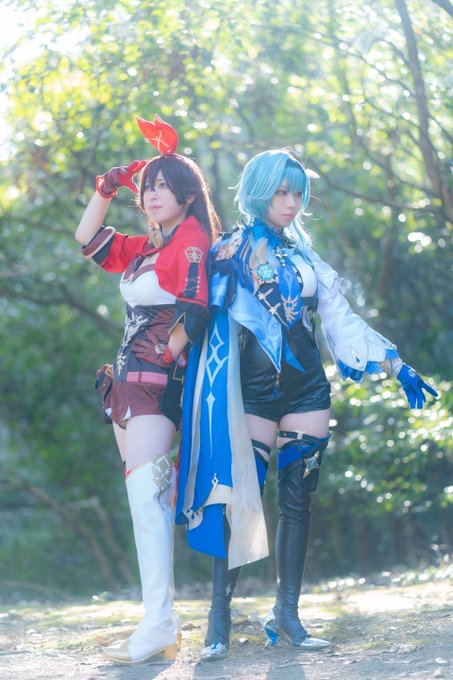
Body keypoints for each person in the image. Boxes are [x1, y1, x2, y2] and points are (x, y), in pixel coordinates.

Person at [176, 148, 438, 660]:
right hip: (250, 393)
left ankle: (287, 615)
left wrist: (396, 365)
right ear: (259, 192)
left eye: (298, 193)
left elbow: (341, 320)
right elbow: (203, 321)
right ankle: (218, 618)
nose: (292, 203)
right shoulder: (227, 253)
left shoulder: (306, 258)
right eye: (281, 192)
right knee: (235, 501)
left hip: (308, 391)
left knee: (298, 503)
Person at [75, 114, 219, 664]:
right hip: (123, 386)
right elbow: (88, 240)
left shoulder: (192, 239)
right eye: (148, 186)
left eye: (164, 185)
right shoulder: (146, 247)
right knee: (145, 502)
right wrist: (106, 188)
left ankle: (159, 623)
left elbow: (197, 310)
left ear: (187, 194)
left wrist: (165, 358)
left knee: (149, 500)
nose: (153, 194)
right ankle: (159, 623)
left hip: (155, 386)